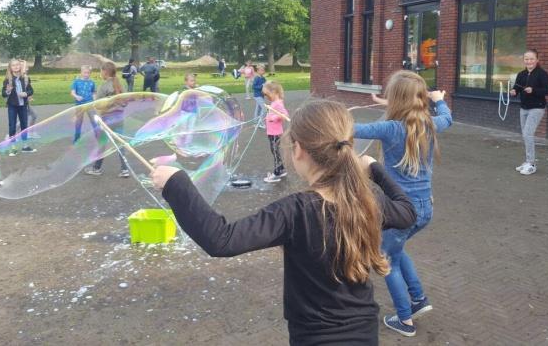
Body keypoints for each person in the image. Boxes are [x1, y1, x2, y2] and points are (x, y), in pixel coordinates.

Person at [150, 100, 417, 345]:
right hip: (365, 334)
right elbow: (407, 211)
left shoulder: (295, 211)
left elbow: (222, 239)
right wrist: (375, 170)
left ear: (298, 150)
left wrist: (176, 183)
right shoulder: (368, 201)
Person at [354, 70, 452, 337]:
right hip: (424, 209)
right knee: (396, 250)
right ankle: (419, 299)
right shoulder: (431, 123)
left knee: (386, 259)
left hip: (399, 211)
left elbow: (352, 130)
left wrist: (319, 122)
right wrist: (438, 99)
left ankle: (405, 319)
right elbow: (448, 117)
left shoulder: (390, 128)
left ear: (395, 100)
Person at [85, 62, 130, 178]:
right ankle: (125, 169)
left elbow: (98, 105)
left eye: (101, 71)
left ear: (105, 72)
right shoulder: (120, 84)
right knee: (120, 143)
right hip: (119, 117)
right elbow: (125, 102)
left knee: (102, 142)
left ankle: (96, 168)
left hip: (107, 119)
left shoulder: (104, 86)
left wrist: (96, 101)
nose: (101, 73)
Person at [510, 49, 548, 176]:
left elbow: (546, 91)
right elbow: (517, 87)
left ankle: (531, 164)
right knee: (525, 134)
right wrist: (514, 92)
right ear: (524, 60)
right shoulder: (521, 74)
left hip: (537, 108)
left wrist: (533, 90)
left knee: (528, 133)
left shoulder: (542, 74)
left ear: (537, 60)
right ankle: (527, 161)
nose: (529, 61)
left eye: (532, 59)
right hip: (524, 108)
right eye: (526, 59)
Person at [2, 59, 35, 155]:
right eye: (13, 65)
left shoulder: (25, 78)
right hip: (12, 106)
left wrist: (26, 93)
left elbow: (31, 90)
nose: (16, 66)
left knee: (24, 126)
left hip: (23, 106)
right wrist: (7, 91)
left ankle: (25, 146)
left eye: (17, 65)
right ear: (10, 68)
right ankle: (13, 147)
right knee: (12, 126)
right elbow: (3, 94)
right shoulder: (7, 80)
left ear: (20, 66)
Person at [262, 81, 288, 183]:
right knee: (274, 151)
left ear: (274, 92)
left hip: (275, 133)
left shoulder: (278, 103)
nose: (266, 97)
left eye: (267, 94)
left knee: (275, 151)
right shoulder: (274, 103)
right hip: (272, 132)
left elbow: (285, 115)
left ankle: (277, 173)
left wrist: (273, 117)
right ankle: (281, 169)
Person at [71, 65, 97, 143]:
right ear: (81, 73)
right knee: (79, 121)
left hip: (90, 104)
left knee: (94, 120)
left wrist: (95, 100)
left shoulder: (92, 82)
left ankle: (98, 135)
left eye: (88, 73)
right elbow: (72, 92)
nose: (86, 74)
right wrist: (76, 96)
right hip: (79, 104)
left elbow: (93, 92)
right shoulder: (76, 82)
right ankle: (77, 137)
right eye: (85, 73)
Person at [19, 59, 39, 138]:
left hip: (25, 102)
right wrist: (24, 63)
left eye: (27, 67)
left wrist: (29, 97)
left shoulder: (27, 78)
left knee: (32, 116)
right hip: (21, 102)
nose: (27, 68)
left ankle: (30, 132)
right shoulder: (20, 77)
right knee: (27, 118)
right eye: (25, 67)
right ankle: (10, 135)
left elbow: (28, 89)